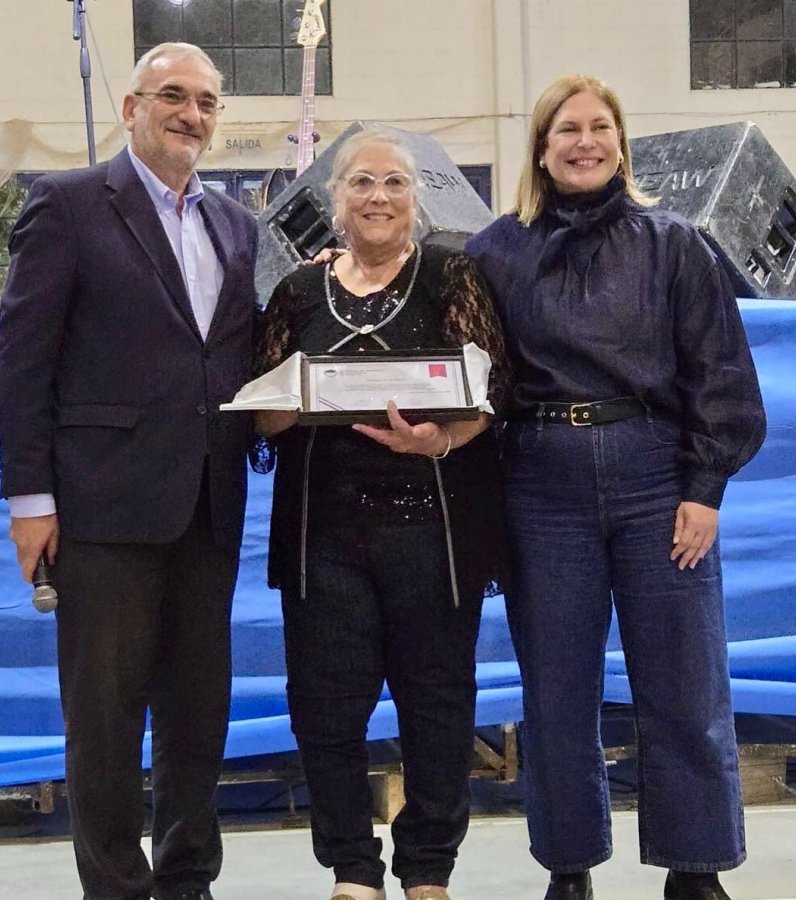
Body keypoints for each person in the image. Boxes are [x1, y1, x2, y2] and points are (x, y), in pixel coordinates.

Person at [465, 75, 766, 900]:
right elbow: (455, 353)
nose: (585, 141)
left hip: (655, 480)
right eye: (568, 129)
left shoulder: (676, 246)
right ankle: (569, 866)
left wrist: (705, 488)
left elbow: (721, 374)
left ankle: (695, 865)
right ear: (541, 147)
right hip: (540, 484)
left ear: (622, 144)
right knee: (556, 688)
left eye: (601, 127)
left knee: (684, 682)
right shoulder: (493, 253)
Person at [0, 42, 258, 900]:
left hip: (209, 503)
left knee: (198, 714)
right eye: (173, 96)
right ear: (131, 108)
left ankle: (188, 880)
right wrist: (31, 500)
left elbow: (233, 353)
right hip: (101, 507)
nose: (192, 114)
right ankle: (115, 887)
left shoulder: (235, 224)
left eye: (207, 103)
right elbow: (21, 362)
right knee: (104, 721)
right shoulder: (67, 206)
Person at [253, 129, 510, 900]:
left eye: (394, 183)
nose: (378, 197)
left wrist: (442, 438)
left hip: (431, 529)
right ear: (335, 200)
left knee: (438, 705)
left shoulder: (450, 276)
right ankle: (352, 869)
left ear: (415, 198)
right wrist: (282, 408)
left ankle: (428, 868)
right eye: (362, 182)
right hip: (322, 538)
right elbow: (259, 416)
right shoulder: (296, 293)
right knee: (325, 710)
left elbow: (493, 392)